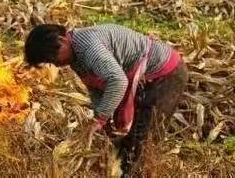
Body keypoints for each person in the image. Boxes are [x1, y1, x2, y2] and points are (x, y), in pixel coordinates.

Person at [24, 23, 188, 175]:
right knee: (127, 141)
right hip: (144, 80)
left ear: (62, 40)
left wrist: (100, 118)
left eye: (53, 57)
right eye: (50, 61)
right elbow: (96, 88)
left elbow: (118, 80)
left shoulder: (88, 47)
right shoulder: (75, 56)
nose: (56, 64)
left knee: (143, 142)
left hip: (166, 75)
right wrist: (102, 120)